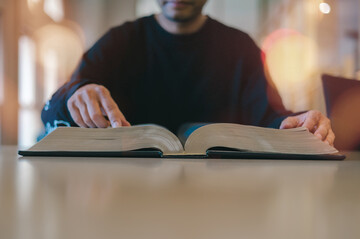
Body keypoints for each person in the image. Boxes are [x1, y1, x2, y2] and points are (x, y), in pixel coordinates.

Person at [41, 0, 335, 146]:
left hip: (225, 193)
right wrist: (74, 96)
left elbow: (271, 116)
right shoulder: (120, 40)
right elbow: (53, 109)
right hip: (122, 193)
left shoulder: (240, 47)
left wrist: (300, 122)